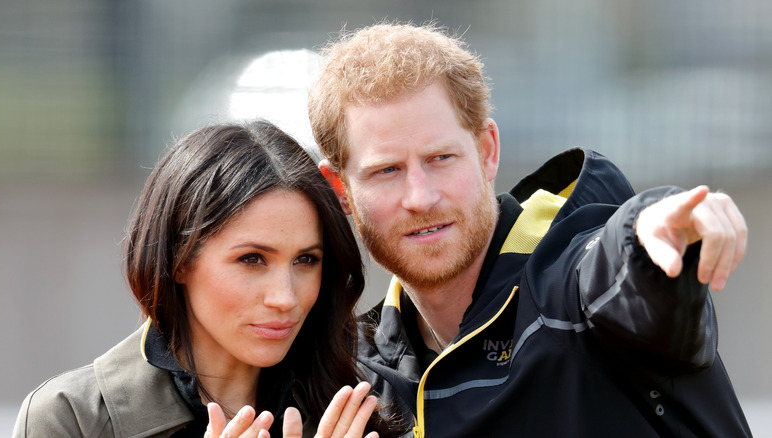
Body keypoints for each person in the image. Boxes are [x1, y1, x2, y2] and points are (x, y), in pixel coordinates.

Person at [308, 22, 752, 437]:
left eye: (441, 159)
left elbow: (616, 266)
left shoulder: (571, 285)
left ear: (487, 152)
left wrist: (650, 230)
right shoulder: (354, 383)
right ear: (340, 189)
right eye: (387, 171)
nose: (421, 197)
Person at [13, 121, 388, 438]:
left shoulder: (362, 404)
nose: (285, 298)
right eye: (252, 259)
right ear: (178, 260)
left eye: (306, 260)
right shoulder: (72, 419)